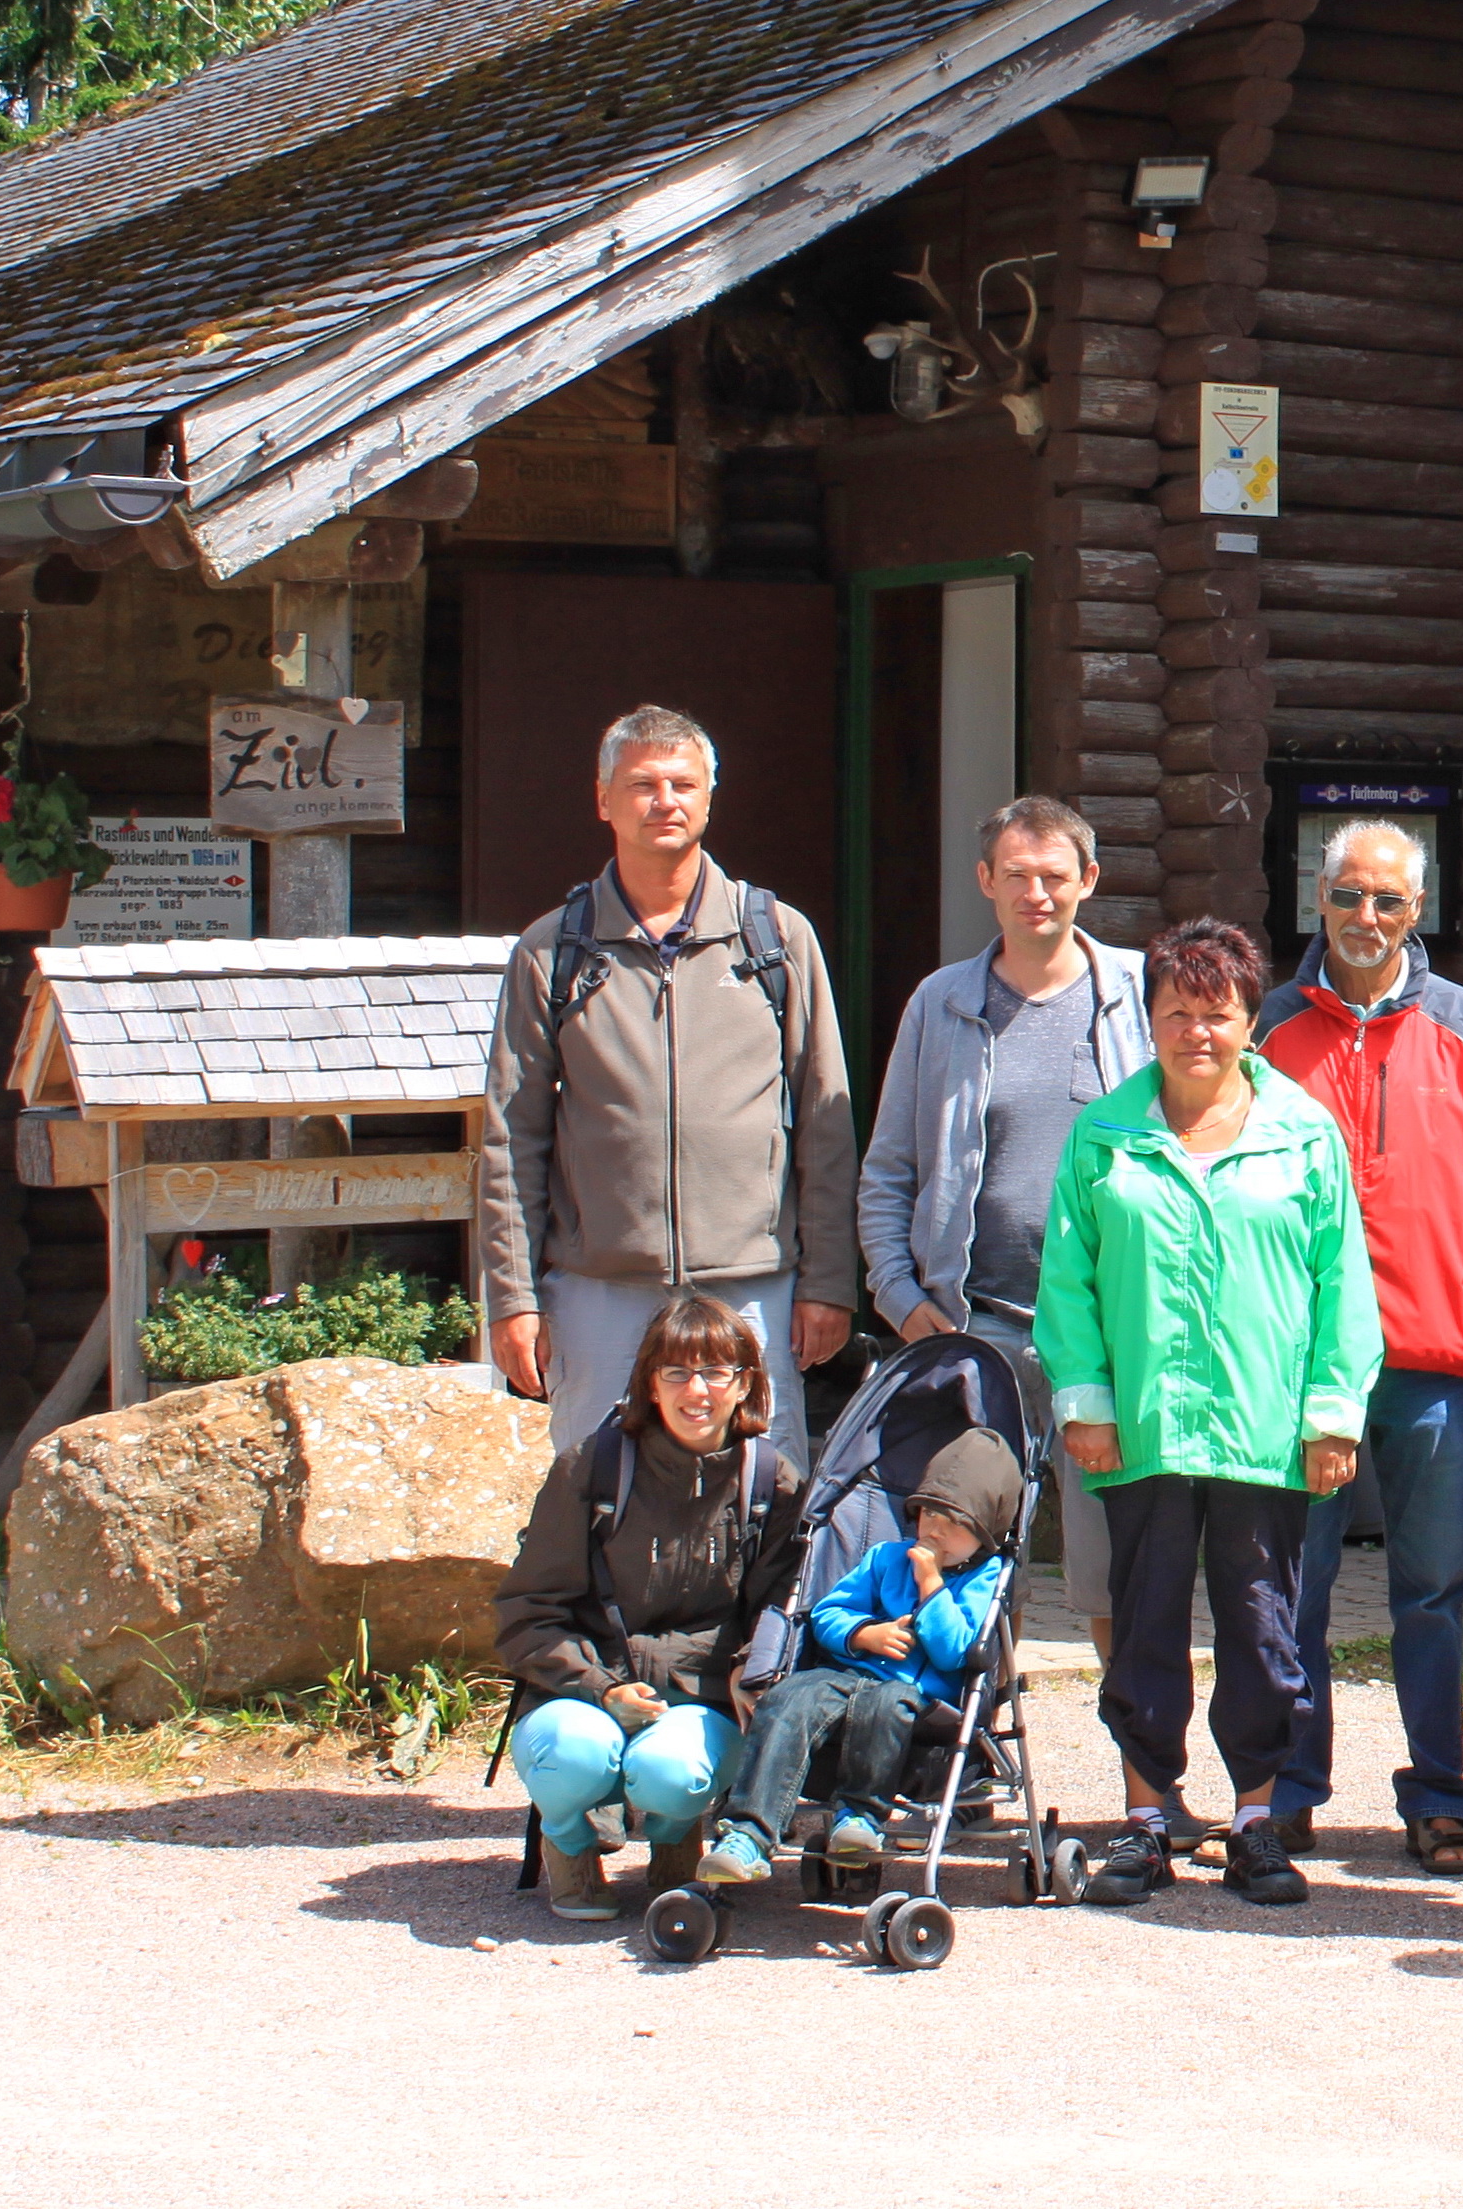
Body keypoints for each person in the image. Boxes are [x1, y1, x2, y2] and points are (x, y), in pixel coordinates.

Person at [1036, 918, 1377, 1916]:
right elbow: (1068, 1284)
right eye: (1176, 1012)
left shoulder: (1303, 1132)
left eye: (1216, 1013)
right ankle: (1145, 1821)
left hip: (1265, 1432)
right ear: (1149, 1020)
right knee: (1143, 1629)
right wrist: (1085, 1402)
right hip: (1140, 1426)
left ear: (1250, 1020)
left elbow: (1340, 1284)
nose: (1196, 1032)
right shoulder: (1103, 1135)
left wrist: (1331, 1415)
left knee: (1262, 1633)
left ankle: (1255, 1822)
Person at [480, 705, 859, 1466]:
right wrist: (514, 1299)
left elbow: (825, 1119)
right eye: (643, 784)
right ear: (603, 799)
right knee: (595, 1494)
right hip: (598, 1289)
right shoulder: (553, 950)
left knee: (761, 1497)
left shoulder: (777, 939)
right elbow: (511, 1136)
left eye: (683, 783)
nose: (665, 801)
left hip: (752, 1285)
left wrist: (829, 1281)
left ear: (710, 798)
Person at [1258, 817, 1463, 1873]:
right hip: (1297, 1360)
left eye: (1391, 902)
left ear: (1420, 909)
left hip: (1429, 1349)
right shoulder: (1268, 1024)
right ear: (1319, 899)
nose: (1367, 918)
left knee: (1431, 1587)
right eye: (1349, 897)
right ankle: (1286, 1786)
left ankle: (1439, 1793)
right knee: (1294, 1584)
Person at [855, 796, 1152, 1652]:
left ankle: (1142, 1782)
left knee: (1114, 1576)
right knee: (969, 1565)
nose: (1036, 894)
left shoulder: (1139, 995)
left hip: (1107, 1333)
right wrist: (903, 1297)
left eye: (1054, 876)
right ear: (985, 880)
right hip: (972, 1329)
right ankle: (975, 1765)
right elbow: (889, 1172)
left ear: (1088, 880)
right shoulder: (941, 1003)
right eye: (1016, 875)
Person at [493, 1292, 809, 1920]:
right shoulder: (593, 1467)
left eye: (717, 1372)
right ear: (650, 1383)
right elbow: (527, 1613)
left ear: (745, 1385)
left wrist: (747, 1675)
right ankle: (571, 1846)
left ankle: (675, 1841)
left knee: (670, 1770)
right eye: (678, 1372)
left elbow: (777, 1617)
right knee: (573, 1755)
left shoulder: (772, 1483)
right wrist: (602, 1688)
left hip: (701, 1700)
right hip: (581, 1691)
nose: (698, 1391)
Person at [707, 1427, 1023, 1888]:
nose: (935, 1529)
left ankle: (859, 1817)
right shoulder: (884, 1559)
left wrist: (931, 1585)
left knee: (884, 1705)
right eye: (928, 1513)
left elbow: (958, 1651)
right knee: (788, 1696)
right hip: (847, 1675)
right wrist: (864, 1634)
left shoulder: (984, 1580)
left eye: (954, 1521)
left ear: (985, 1533)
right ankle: (748, 1832)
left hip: (920, 1700)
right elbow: (828, 1613)